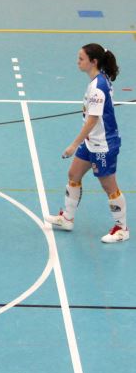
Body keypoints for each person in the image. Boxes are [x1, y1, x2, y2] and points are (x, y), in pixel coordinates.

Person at [46, 44, 128, 243]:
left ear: (94, 62)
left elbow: (92, 120)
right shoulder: (97, 81)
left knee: (109, 186)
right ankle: (67, 218)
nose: (77, 61)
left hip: (103, 144)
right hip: (92, 142)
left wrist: (74, 144)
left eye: (81, 58)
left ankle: (122, 229)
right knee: (73, 174)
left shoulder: (98, 87)